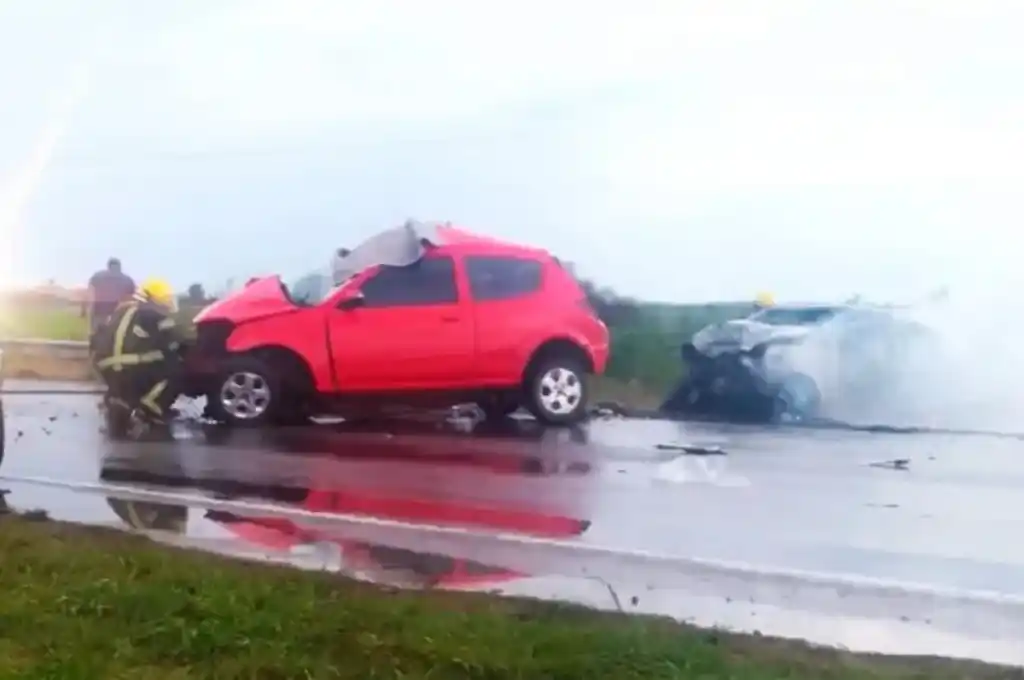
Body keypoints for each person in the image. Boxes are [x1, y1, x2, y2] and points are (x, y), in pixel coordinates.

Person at [91, 278, 185, 429]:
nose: (166, 303)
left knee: (141, 362)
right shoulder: (154, 315)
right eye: (163, 299)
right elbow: (174, 342)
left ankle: (117, 397)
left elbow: (97, 336)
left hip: (106, 368)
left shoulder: (120, 311)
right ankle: (152, 408)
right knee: (178, 367)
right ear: (151, 298)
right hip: (131, 370)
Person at [83, 258, 136, 342]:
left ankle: (94, 350)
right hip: (118, 310)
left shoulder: (97, 276)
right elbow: (131, 297)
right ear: (119, 267)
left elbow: (90, 293)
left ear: (108, 266)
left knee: (96, 333)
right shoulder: (127, 280)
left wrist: (87, 308)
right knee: (115, 335)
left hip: (99, 308)